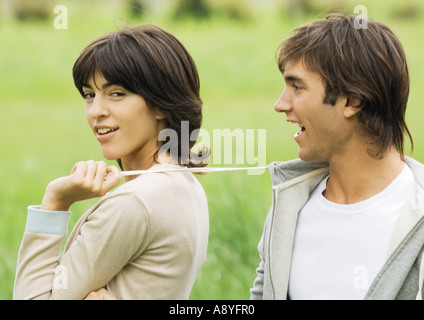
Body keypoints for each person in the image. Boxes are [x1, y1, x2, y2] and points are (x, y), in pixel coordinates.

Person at [14, 24, 209, 300]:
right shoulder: (184, 184)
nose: (96, 112)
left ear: (161, 103)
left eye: (116, 93)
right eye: (89, 95)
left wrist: (55, 203)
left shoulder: (135, 201)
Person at [250, 13, 424, 300]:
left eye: (297, 87)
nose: (280, 105)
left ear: (352, 101)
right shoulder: (289, 206)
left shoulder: (416, 216)